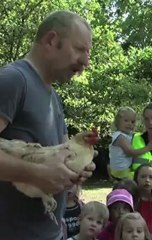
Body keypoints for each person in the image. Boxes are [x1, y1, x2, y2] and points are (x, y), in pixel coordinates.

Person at [0, 10, 95, 240]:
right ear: (51, 40)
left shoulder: (53, 96)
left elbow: (54, 159)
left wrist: (74, 170)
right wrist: (37, 173)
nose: (86, 61)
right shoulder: (14, 80)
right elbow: (40, 172)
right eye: (80, 49)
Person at [109, 107, 152, 180]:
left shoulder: (127, 135)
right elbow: (130, 152)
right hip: (121, 170)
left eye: (133, 122)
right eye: (126, 120)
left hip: (123, 169)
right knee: (141, 179)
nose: (129, 124)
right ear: (118, 121)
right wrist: (148, 147)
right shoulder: (120, 136)